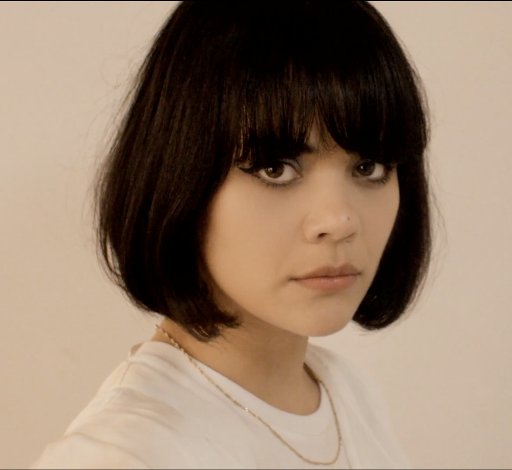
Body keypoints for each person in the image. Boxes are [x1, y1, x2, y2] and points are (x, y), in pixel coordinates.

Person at [31, 1, 431, 468]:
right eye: (276, 168)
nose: (340, 220)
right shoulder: (125, 454)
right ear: (180, 178)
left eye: (369, 167)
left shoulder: (346, 392)